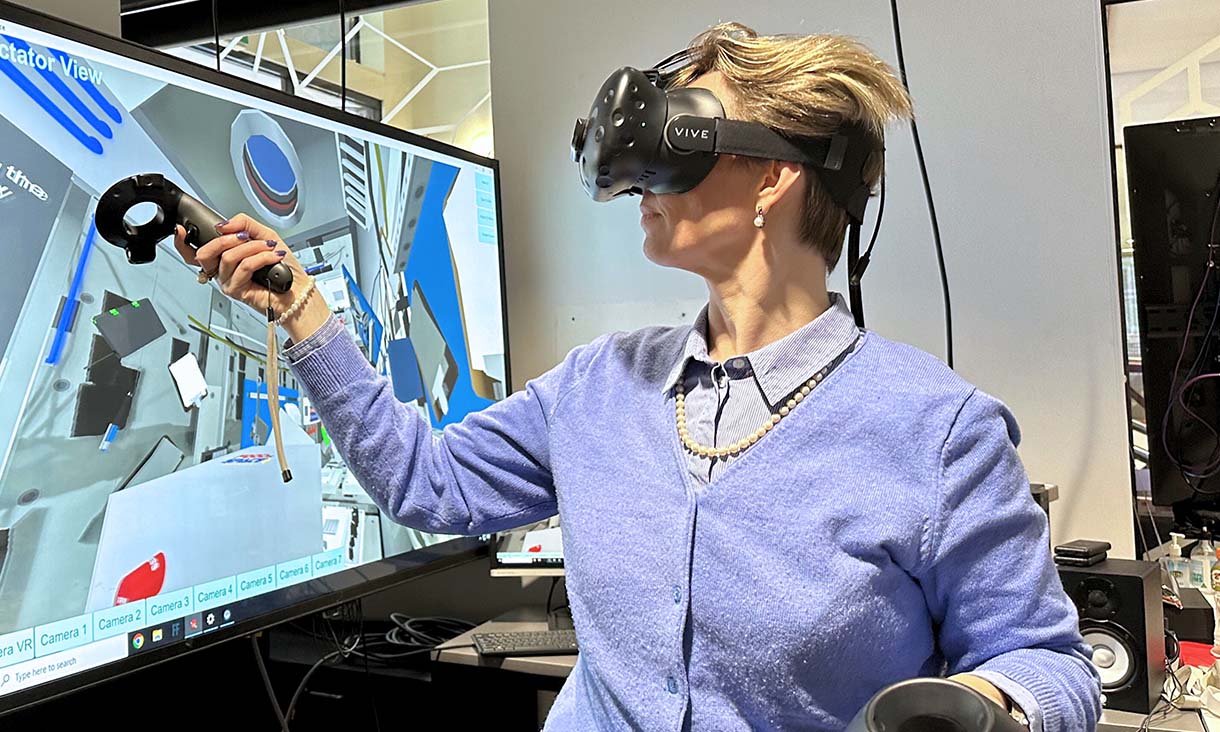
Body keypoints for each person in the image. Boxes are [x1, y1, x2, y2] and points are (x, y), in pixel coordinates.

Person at [178, 22, 1100, 732]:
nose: (638, 181)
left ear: (772, 177)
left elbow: (1047, 661)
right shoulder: (597, 387)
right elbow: (426, 483)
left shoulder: (938, 433)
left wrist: (987, 705)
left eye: (677, 136)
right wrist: (301, 310)